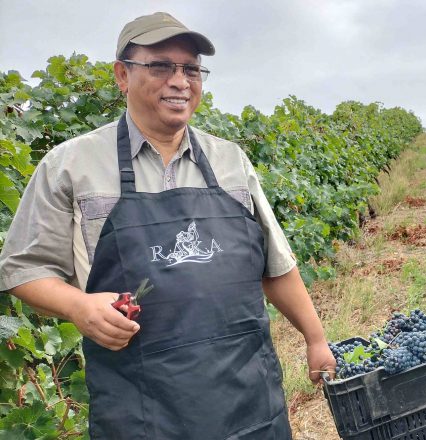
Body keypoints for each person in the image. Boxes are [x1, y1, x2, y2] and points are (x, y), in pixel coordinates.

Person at [0, 12, 335, 439]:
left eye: (191, 68)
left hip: (248, 403)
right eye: (161, 66)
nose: (180, 81)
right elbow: (24, 270)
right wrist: (78, 307)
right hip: (142, 412)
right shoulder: (70, 166)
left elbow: (276, 265)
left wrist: (315, 338)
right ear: (122, 75)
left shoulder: (231, 161)